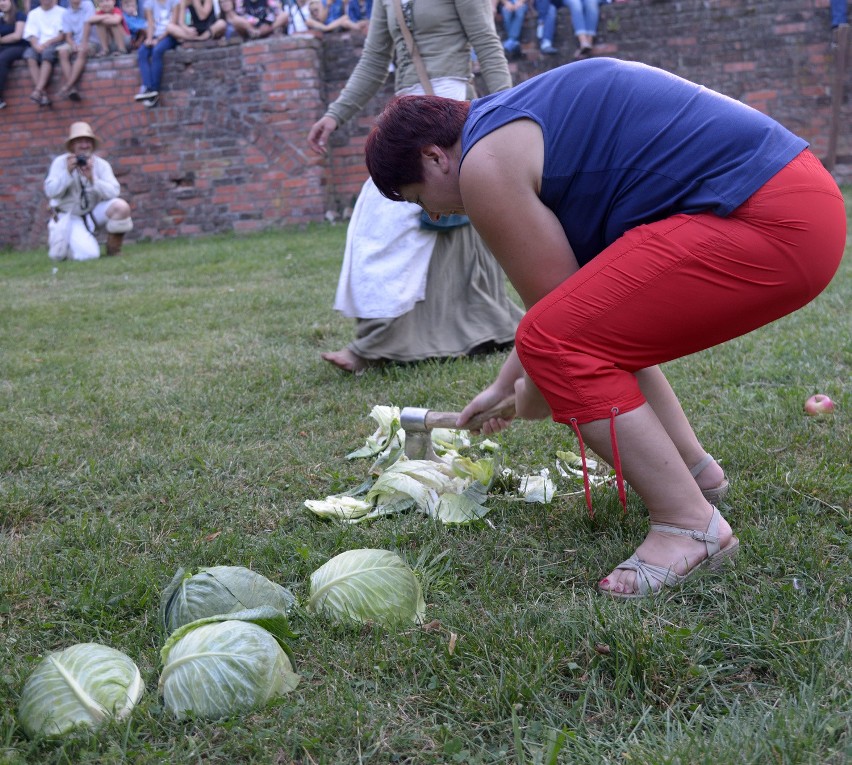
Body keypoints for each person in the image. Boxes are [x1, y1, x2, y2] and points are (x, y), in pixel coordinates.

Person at [363, 59, 846, 598]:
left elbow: (557, 338)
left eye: (416, 197)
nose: (431, 212)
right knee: (587, 335)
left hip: (768, 220)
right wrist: (504, 387)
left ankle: (689, 527)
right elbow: (572, 307)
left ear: (434, 157)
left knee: (564, 346)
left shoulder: (484, 165)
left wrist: (532, 397)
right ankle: (696, 475)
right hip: (801, 201)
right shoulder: (516, 125)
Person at [308, 0, 524, 373]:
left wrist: (505, 114)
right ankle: (471, 328)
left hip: (448, 106)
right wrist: (334, 114)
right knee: (385, 219)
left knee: (404, 218)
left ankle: (373, 344)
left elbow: (487, 45)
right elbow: (374, 61)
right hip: (407, 112)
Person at [44, 121, 134, 261]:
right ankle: (69, 244)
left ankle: (113, 250)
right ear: (72, 145)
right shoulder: (60, 163)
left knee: (121, 207)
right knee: (88, 255)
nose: (84, 145)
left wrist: (93, 179)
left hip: (92, 213)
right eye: (80, 141)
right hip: (69, 216)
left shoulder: (100, 164)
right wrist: (67, 172)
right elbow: (51, 192)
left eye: (88, 141)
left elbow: (114, 192)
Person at [135, 0, 180, 107]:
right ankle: (147, 87)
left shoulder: (175, 2)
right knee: (142, 52)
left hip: (169, 35)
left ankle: (154, 90)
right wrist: (149, 39)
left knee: (157, 51)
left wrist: (158, 39)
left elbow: (172, 24)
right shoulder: (149, 3)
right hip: (155, 35)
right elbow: (150, 22)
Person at [23, 0, 65, 105]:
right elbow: (31, 34)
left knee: (47, 55)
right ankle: (43, 94)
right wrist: (36, 45)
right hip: (38, 44)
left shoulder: (62, 12)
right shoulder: (33, 13)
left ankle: (38, 91)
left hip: (54, 43)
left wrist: (46, 44)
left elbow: (61, 35)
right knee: (29, 56)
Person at [56, 0, 98, 101]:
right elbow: (68, 36)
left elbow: (88, 24)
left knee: (82, 51)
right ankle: (72, 88)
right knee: (63, 52)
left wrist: (83, 44)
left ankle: (68, 85)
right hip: (76, 41)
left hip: (91, 41)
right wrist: (73, 45)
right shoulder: (66, 13)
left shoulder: (87, 4)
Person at [0, 0, 27, 109]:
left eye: (4, 0)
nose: (2, 3)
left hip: (20, 46)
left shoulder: (19, 15)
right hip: (5, 47)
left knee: (2, 59)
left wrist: (1, 41)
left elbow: (17, 36)